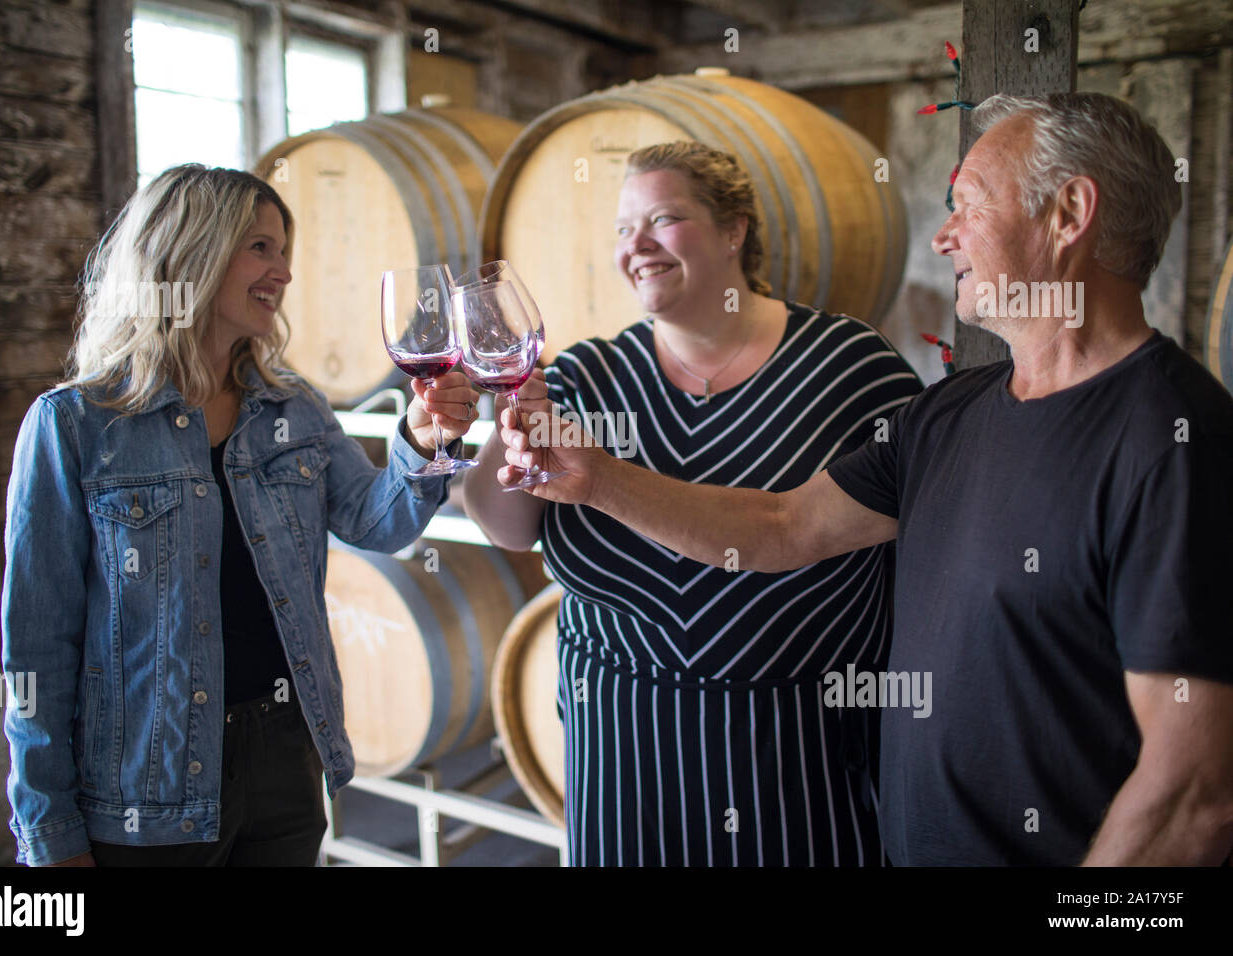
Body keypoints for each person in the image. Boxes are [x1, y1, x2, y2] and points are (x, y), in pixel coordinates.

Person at [498, 94, 1233, 866]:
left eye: (969, 205)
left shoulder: (1177, 443)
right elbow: (783, 528)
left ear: (1070, 212)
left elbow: (1196, 794)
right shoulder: (948, 416)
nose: (945, 237)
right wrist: (600, 479)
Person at [1, 164, 480, 866]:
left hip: (286, 761)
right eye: (260, 248)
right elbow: (36, 651)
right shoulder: (76, 426)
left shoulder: (294, 408)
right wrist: (50, 835)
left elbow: (379, 524)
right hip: (149, 785)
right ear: (188, 252)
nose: (283, 273)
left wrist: (422, 442)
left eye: (284, 251)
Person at [464, 142, 923, 865]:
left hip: (795, 752)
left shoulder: (848, 365)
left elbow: (911, 542)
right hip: (620, 749)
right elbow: (509, 527)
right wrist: (515, 410)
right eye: (622, 229)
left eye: (664, 219)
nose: (636, 245)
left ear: (734, 229)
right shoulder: (588, 372)